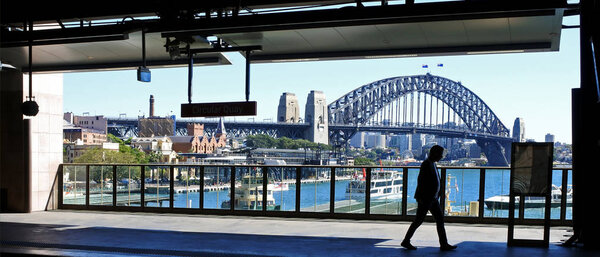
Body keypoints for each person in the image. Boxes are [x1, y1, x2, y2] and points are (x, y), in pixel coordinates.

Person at [401, 145, 457, 251]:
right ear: (435, 153)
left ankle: (443, 244)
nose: (441, 156)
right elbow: (421, 182)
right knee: (419, 220)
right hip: (426, 198)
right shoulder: (426, 164)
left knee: (437, 219)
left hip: (432, 198)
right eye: (440, 154)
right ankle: (406, 241)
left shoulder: (432, 164)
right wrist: (421, 198)